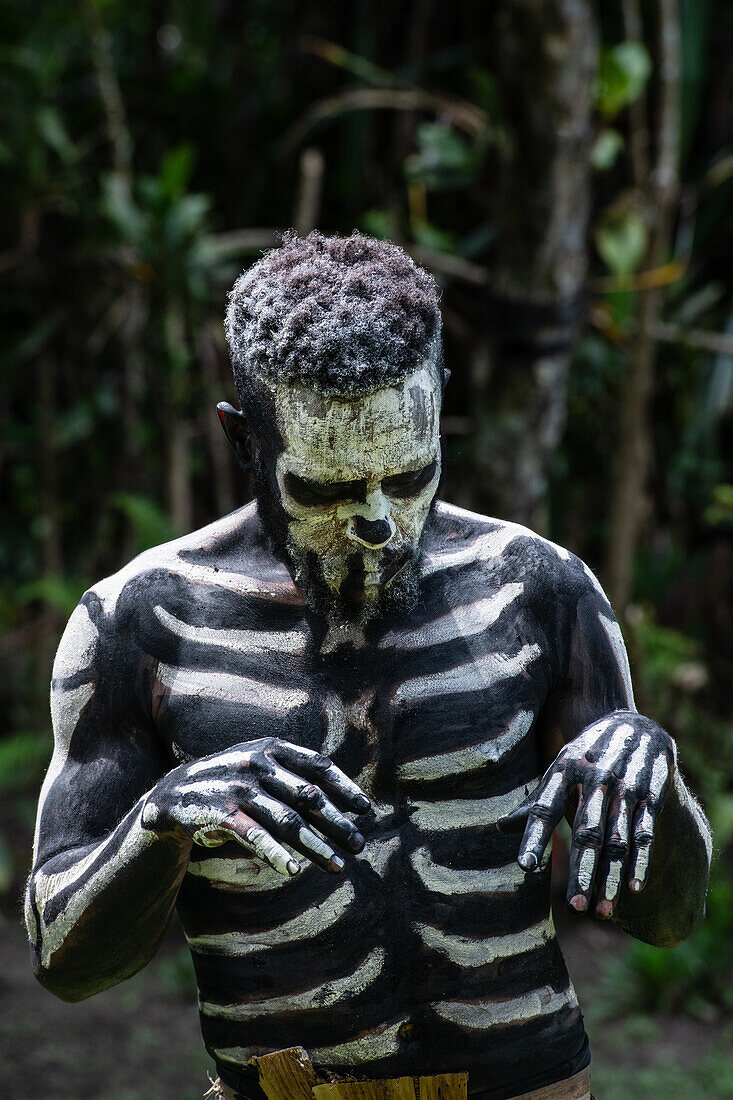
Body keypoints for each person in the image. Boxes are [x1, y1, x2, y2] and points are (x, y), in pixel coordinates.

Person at [25, 232, 711, 1100]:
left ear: (438, 406)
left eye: (409, 475)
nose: (380, 524)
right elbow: (63, 963)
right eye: (327, 490)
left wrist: (656, 774)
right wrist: (162, 819)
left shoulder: (539, 591)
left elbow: (669, 919)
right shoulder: (143, 621)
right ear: (245, 439)